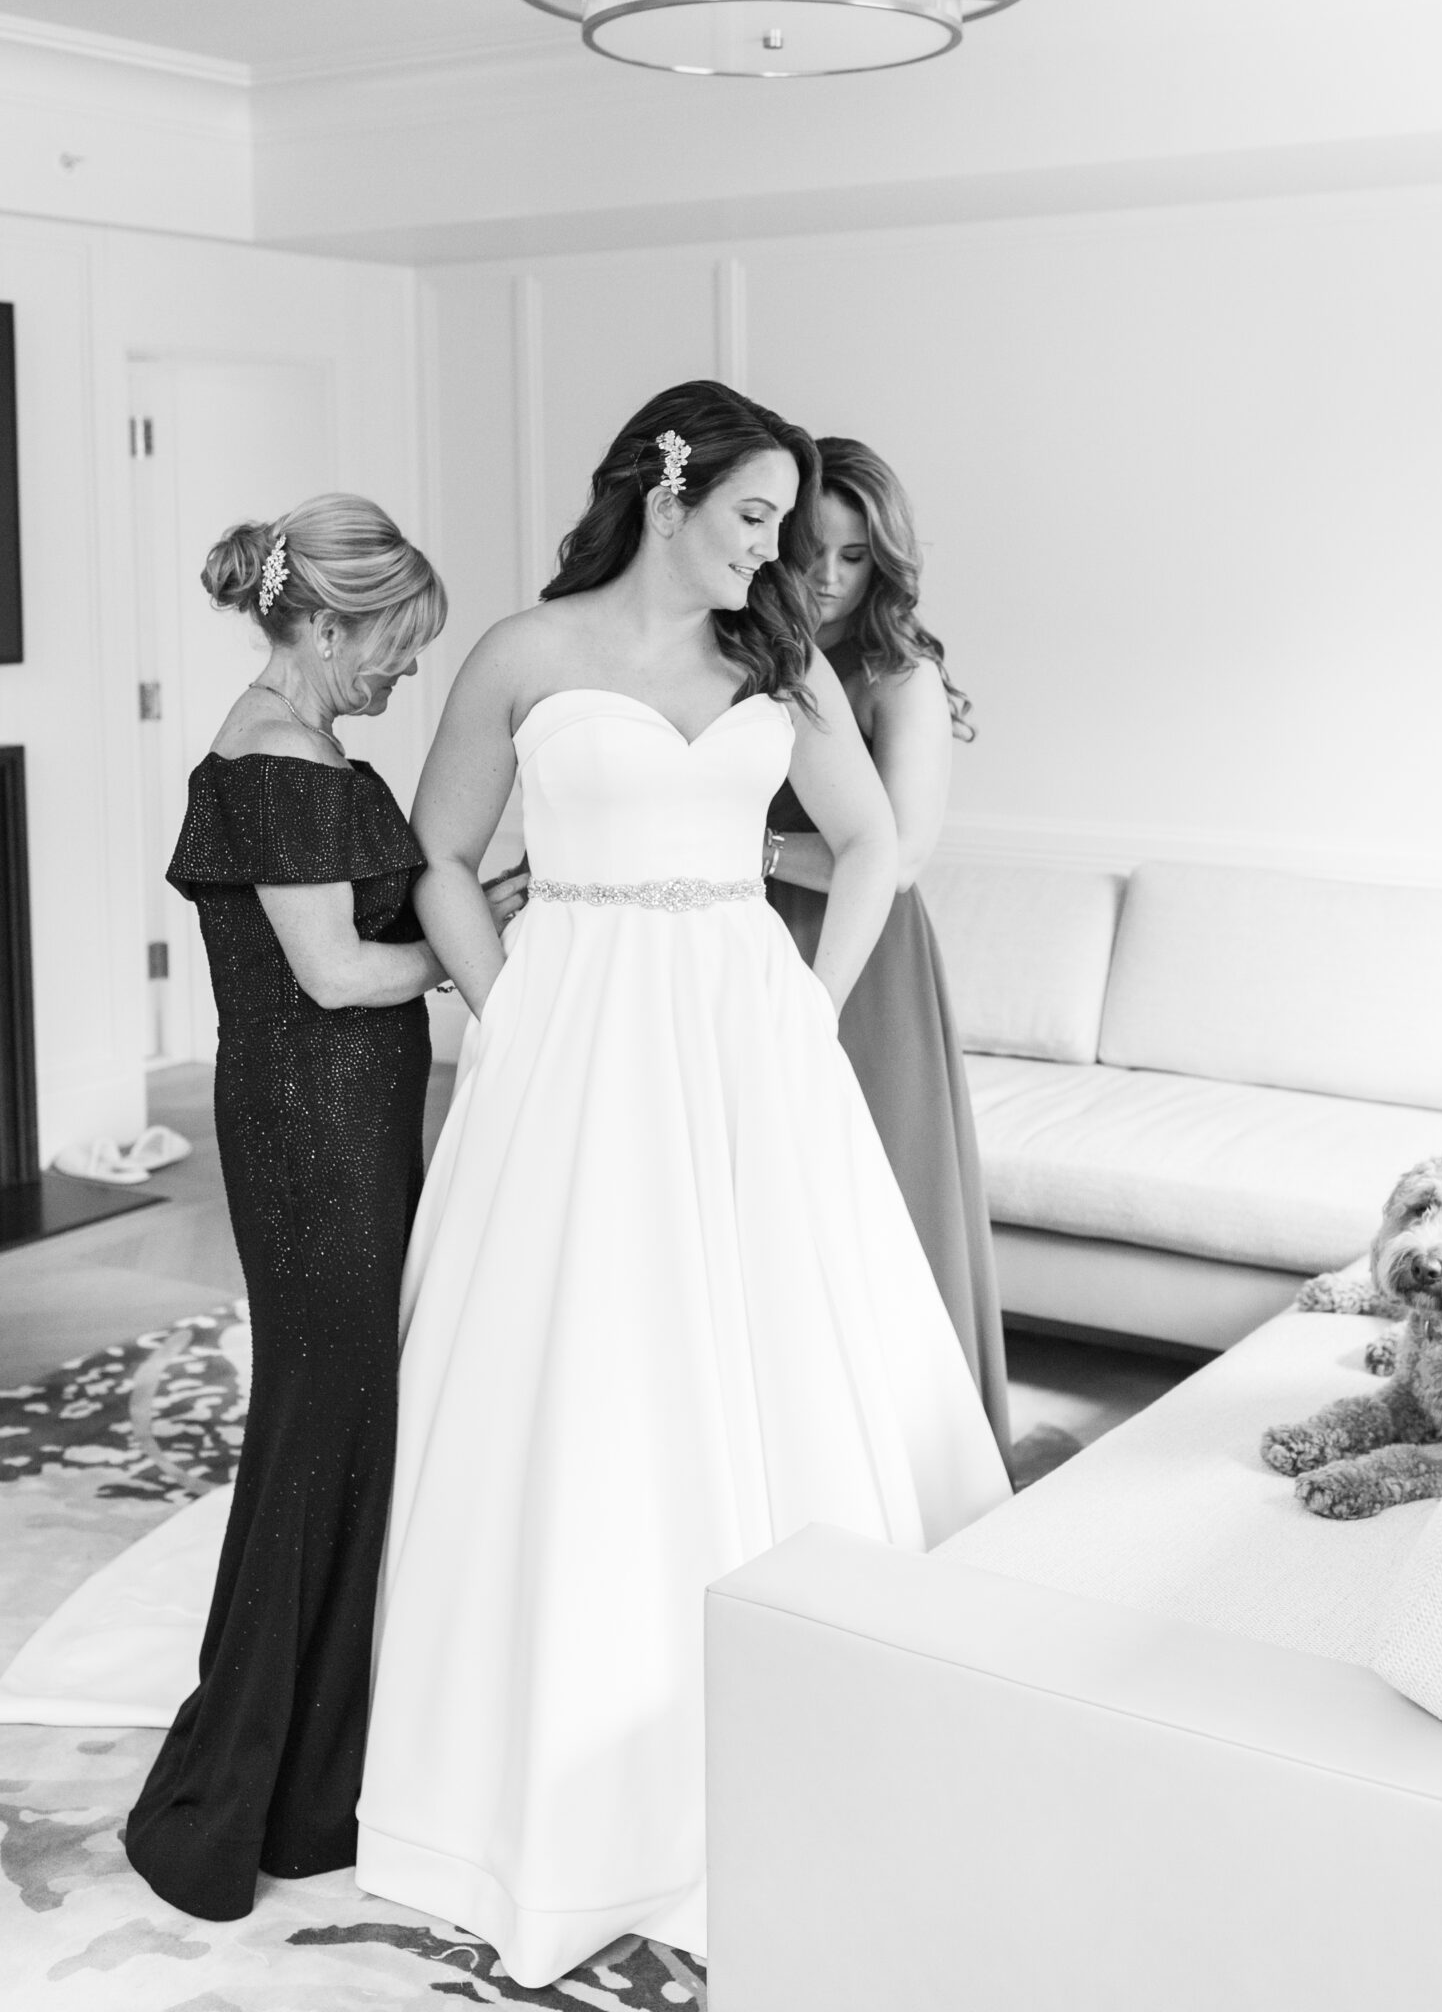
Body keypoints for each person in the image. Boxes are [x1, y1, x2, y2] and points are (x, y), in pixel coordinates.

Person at [354, 381, 1009, 1985]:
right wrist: (505, 1001)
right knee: (572, 1364)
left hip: (737, 1028)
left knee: (772, 1344)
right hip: (569, 1033)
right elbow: (438, 856)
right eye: (755, 516)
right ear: (668, 490)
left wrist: (806, 1004)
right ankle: (550, 1768)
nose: (777, 551)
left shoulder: (776, 659)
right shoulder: (522, 651)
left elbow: (871, 846)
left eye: (784, 523)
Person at [124, 493, 523, 1922]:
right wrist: (474, 947)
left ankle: (306, 1781)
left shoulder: (296, 744)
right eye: (398, 641)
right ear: (332, 623)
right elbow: (338, 974)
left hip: (342, 1126)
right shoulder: (277, 759)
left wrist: (486, 897)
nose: (408, 667)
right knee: (320, 1435)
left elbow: (366, 936)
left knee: (340, 1431)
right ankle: (235, 1796)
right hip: (314, 1140)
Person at [767, 437, 1010, 1458]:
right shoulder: (737, 655)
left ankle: (915, 1453)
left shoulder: (897, 673)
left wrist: (745, 845)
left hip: (863, 954)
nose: (827, 577)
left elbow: (899, 853)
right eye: (809, 550)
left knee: (881, 1197)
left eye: (855, 556)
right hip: (740, 937)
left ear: (885, 561)